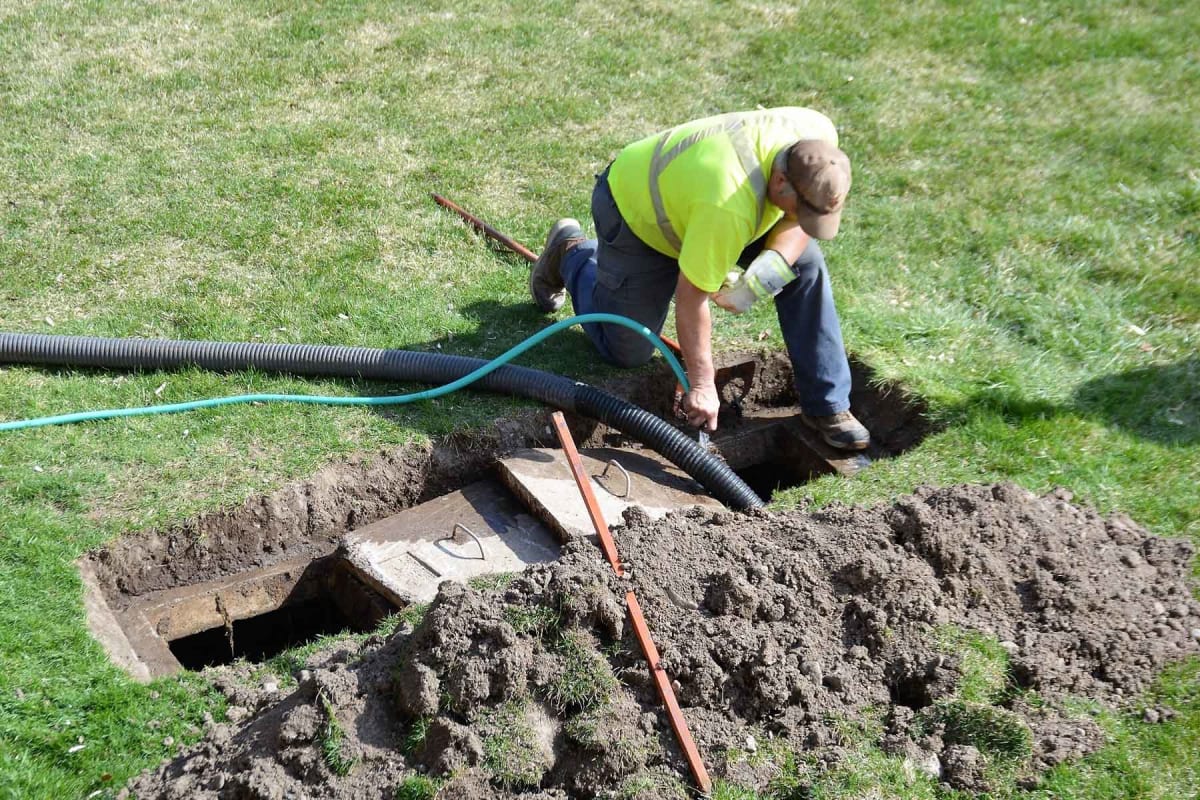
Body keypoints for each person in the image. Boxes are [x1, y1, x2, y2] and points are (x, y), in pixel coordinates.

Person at [529, 107, 870, 451]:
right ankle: (572, 253)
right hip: (637, 213)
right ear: (780, 181)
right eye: (802, 210)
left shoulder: (818, 138)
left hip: (699, 204)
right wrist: (703, 384)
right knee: (626, 350)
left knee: (806, 264)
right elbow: (691, 298)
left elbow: (798, 227)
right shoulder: (727, 203)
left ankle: (827, 405)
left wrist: (761, 279)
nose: (804, 219)